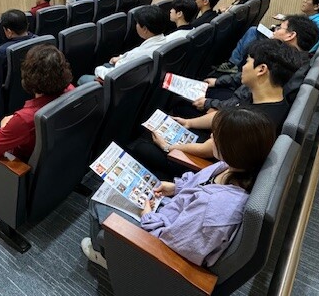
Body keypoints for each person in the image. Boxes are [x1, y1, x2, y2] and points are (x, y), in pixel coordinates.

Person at [81, 107, 276, 269]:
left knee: (98, 201)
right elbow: (200, 183)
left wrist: (147, 217)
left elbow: (172, 245)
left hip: (159, 235)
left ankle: (103, 255)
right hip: (172, 211)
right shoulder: (231, 166)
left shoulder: (212, 211)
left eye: (217, 135)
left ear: (232, 149)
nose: (211, 136)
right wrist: (175, 187)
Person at [129, 39, 300, 179]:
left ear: (261, 70)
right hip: (219, 148)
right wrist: (189, 123)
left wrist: (168, 147)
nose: (243, 67)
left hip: (214, 167)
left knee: (141, 146)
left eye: (247, 61)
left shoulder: (256, 120)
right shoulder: (267, 98)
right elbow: (222, 115)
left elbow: (208, 149)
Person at [0, 45, 74, 201]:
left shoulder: (24, 119)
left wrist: (5, 126)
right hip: (56, 157)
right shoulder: (71, 90)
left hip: (24, 164)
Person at [198, 15, 319, 112]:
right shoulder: (297, 60)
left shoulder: (284, 64)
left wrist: (211, 104)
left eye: (279, 28)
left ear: (290, 35)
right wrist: (218, 81)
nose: (274, 31)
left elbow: (246, 100)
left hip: (238, 112)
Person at [216, 0, 319, 73]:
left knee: (253, 32)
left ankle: (234, 64)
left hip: (291, 51)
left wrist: (277, 38)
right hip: (291, 47)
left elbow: (308, 47)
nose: (304, 0)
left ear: (317, 6)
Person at [77, 6, 167, 84]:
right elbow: (137, 52)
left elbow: (113, 75)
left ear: (145, 29)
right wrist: (121, 58)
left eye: (137, 23)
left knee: (83, 78)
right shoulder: (164, 42)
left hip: (121, 83)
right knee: (107, 64)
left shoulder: (141, 55)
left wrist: (98, 69)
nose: (136, 25)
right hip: (137, 80)